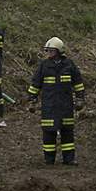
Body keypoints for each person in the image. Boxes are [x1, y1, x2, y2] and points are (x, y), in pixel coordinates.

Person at [28, 37, 85, 166]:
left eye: (51, 51)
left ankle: (69, 159)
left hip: (66, 105)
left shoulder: (69, 65)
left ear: (59, 51)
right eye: (47, 51)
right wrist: (32, 100)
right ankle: (49, 160)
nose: (49, 53)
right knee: (49, 132)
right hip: (49, 105)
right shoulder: (44, 65)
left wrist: (80, 99)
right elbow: (36, 84)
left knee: (67, 132)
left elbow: (78, 83)